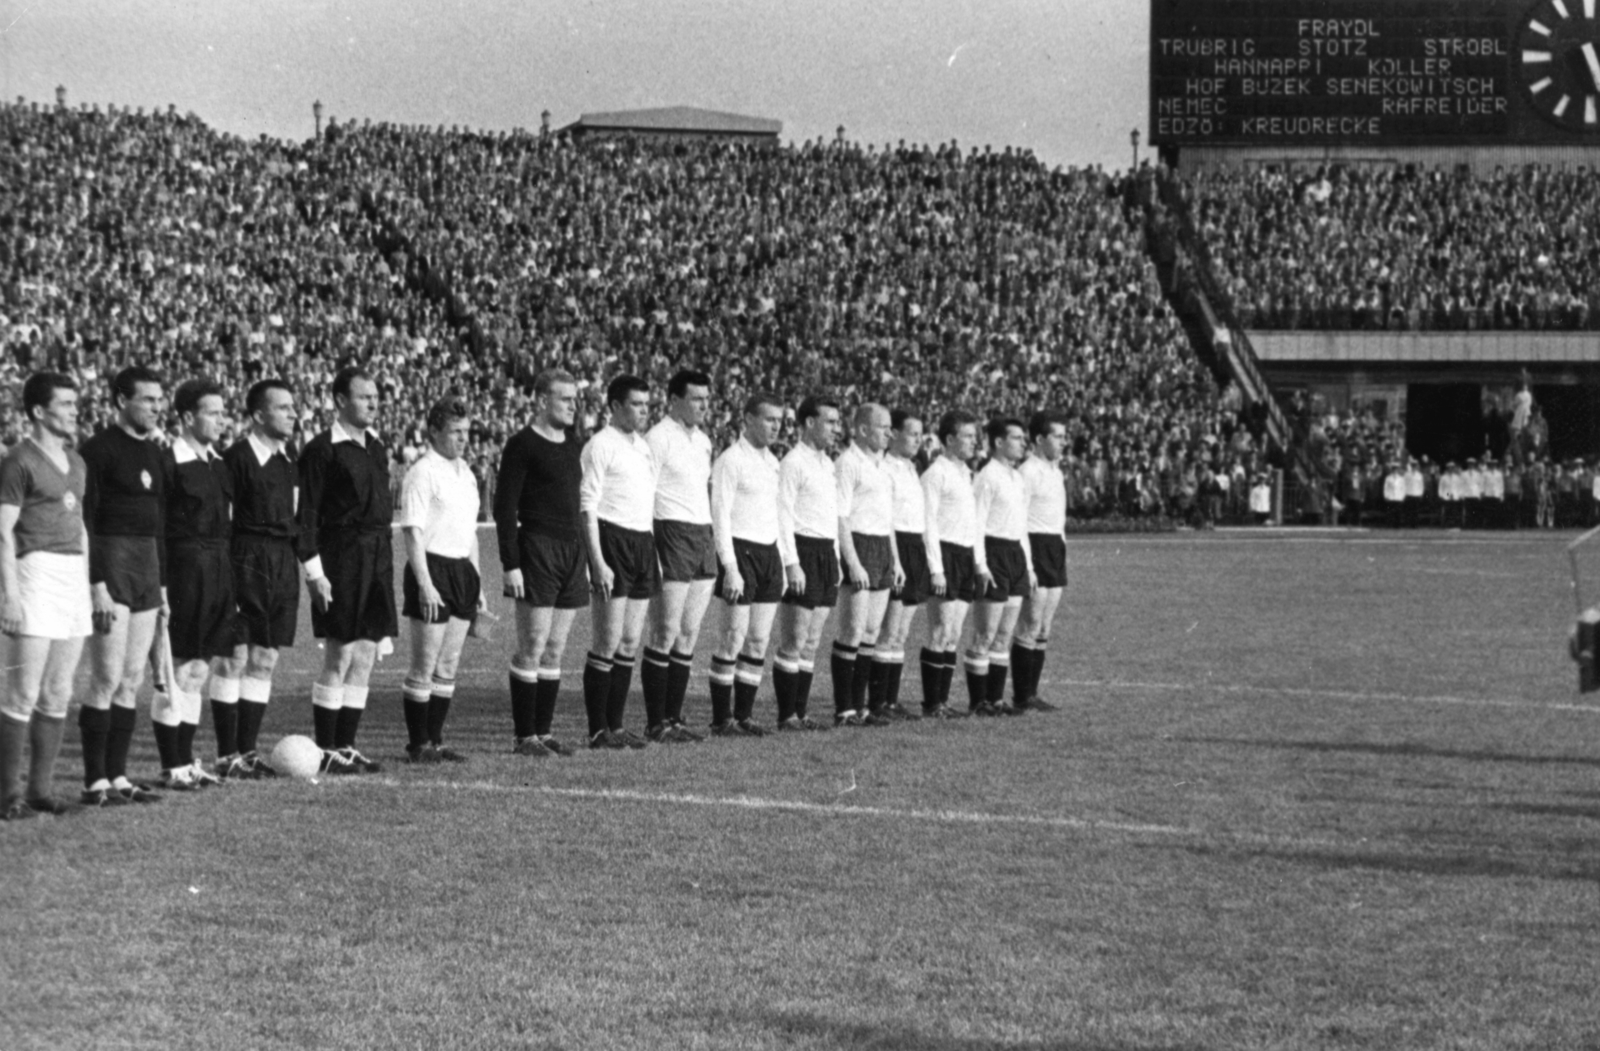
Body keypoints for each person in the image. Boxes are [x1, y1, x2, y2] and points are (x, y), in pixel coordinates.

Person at [0, 373, 94, 818]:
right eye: (66, 403)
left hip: (72, 576)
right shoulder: (18, 460)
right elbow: (2, 533)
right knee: (22, 692)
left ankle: (40, 791)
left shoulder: (76, 461)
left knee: (58, 691)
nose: (75, 410)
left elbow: (80, 527)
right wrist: (10, 595)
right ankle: (7, 796)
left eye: (76, 402)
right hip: (34, 571)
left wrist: (87, 585)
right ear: (39, 411)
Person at [297, 366, 395, 774]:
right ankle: (326, 749)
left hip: (378, 557)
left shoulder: (376, 447)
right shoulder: (322, 450)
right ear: (340, 400)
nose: (373, 403)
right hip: (341, 557)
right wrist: (315, 573)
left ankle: (347, 746)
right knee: (341, 653)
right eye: (364, 397)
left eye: (375, 397)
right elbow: (306, 516)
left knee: (367, 653)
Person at [78, 365, 168, 805]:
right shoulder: (97, 450)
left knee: (132, 678)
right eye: (147, 399)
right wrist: (95, 582)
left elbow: (159, 524)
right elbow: (86, 520)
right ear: (121, 400)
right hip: (111, 564)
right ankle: (94, 781)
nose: (156, 407)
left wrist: (162, 585)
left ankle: (118, 776)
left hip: (146, 567)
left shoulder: (155, 453)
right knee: (107, 675)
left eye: (159, 399)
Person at [495, 368, 587, 759]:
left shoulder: (574, 444)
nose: (572, 405)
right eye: (565, 398)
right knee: (532, 643)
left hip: (571, 552)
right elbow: (504, 507)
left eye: (574, 399)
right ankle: (524, 736)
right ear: (542, 400)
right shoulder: (522, 445)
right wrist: (511, 563)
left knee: (555, 647)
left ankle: (543, 732)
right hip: (537, 549)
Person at [212, 379, 299, 779]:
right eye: (283, 408)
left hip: (281, 563)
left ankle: (247, 751)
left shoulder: (288, 459)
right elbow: (221, 522)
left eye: (292, 407)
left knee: (265, 658)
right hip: (243, 559)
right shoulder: (235, 459)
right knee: (233, 657)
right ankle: (226, 755)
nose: (292, 414)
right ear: (259, 415)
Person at [153, 378, 236, 790]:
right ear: (187, 417)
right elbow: (157, 529)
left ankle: (185, 763)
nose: (222, 420)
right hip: (184, 569)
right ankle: (172, 765)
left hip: (218, 570)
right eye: (213, 413)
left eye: (223, 412)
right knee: (179, 667)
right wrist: (161, 585)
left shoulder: (218, 464)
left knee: (200, 669)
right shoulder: (168, 462)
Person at [397, 396, 483, 763]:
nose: (463, 438)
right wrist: (425, 583)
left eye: (466, 431)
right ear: (434, 432)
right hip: (432, 568)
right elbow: (412, 532)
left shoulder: (467, 473)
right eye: (455, 431)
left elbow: (471, 532)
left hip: (462, 571)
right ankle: (418, 744)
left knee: (448, 664)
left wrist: (477, 582)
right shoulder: (422, 472)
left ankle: (435, 740)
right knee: (425, 664)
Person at [579, 374, 659, 750]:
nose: (644, 411)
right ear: (615, 406)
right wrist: (597, 561)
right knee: (607, 640)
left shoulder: (643, 447)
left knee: (629, 641)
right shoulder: (599, 445)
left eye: (646, 404)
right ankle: (598, 730)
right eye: (636, 404)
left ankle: (617, 725)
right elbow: (587, 506)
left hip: (642, 543)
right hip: (612, 541)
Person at [709, 394, 795, 733]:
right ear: (748, 419)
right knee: (733, 637)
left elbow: (779, 517)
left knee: (758, 640)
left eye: (779, 420)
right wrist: (730, 567)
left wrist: (784, 563)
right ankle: (721, 720)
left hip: (769, 554)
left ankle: (743, 716)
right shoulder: (730, 460)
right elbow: (720, 516)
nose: (776, 426)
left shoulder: (774, 463)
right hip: (740, 553)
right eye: (769, 419)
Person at [640, 370, 715, 743]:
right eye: (696, 398)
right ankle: (656, 722)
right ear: (674, 400)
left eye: (706, 399)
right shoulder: (657, 438)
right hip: (670, 532)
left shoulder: (703, 441)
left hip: (702, 534)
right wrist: (651, 547)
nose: (704, 405)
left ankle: (674, 718)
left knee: (688, 633)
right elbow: (645, 494)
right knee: (664, 631)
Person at [830, 403, 902, 727]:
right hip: (858, 545)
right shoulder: (847, 463)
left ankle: (861, 707)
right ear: (862, 429)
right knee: (853, 630)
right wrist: (853, 562)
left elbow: (888, 520)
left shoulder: (884, 466)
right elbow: (841, 517)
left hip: (882, 547)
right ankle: (844, 709)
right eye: (882, 427)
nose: (889, 433)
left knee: (871, 631)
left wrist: (895, 560)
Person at [773, 396, 842, 729]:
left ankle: (801, 713)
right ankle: (786, 715)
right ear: (810, 422)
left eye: (837, 422)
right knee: (795, 640)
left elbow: (831, 518)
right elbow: (783, 515)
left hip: (826, 554)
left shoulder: (828, 464)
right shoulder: (792, 462)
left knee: (812, 642)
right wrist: (791, 563)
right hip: (802, 551)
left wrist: (837, 559)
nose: (836, 429)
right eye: (830, 422)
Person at [966, 417, 1035, 716]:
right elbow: (977, 524)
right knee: (985, 634)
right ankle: (978, 701)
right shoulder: (987, 477)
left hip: (1015, 555)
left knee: (1004, 635)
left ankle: (995, 699)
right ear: (998, 442)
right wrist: (980, 565)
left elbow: (1022, 528)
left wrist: (1028, 566)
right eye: (1016, 438)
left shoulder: (1017, 478)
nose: (1022, 443)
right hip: (993, 553)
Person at [919, 410, 980, 719]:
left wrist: (977, 563)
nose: (973, 442)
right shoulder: (935, 474)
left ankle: (942, 701)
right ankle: (932, 704)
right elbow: (928, 523)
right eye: (967, 436)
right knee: (940, 630)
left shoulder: (966, 473)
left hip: (964, 556)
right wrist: (936, 569)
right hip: (944, 555)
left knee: (954, 633)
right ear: (950, 439)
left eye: (974, 436)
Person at [1010, 411, 1067, 713]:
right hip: (1035, 546)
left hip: (1055, 548)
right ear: (1040, 439)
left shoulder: (1055, 471)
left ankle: (1032, 693)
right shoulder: (1028, 472)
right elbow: (1019, 518)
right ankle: (1022, 696)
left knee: (1045, 626)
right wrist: (1028, 564)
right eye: (1057, 436)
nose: (1063, 442)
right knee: (1030, 623)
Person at [874, 409, 928, 721]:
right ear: (893, 434)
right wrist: (895, 560)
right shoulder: (885, 468)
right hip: (896, 547)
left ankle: (891, 701)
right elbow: (888, 519)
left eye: (920, 435)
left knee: (901, 632)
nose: (918, 440)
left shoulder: (911, 468)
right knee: (889, 629)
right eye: (912, 434)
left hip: (914, 546)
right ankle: (878, 701)